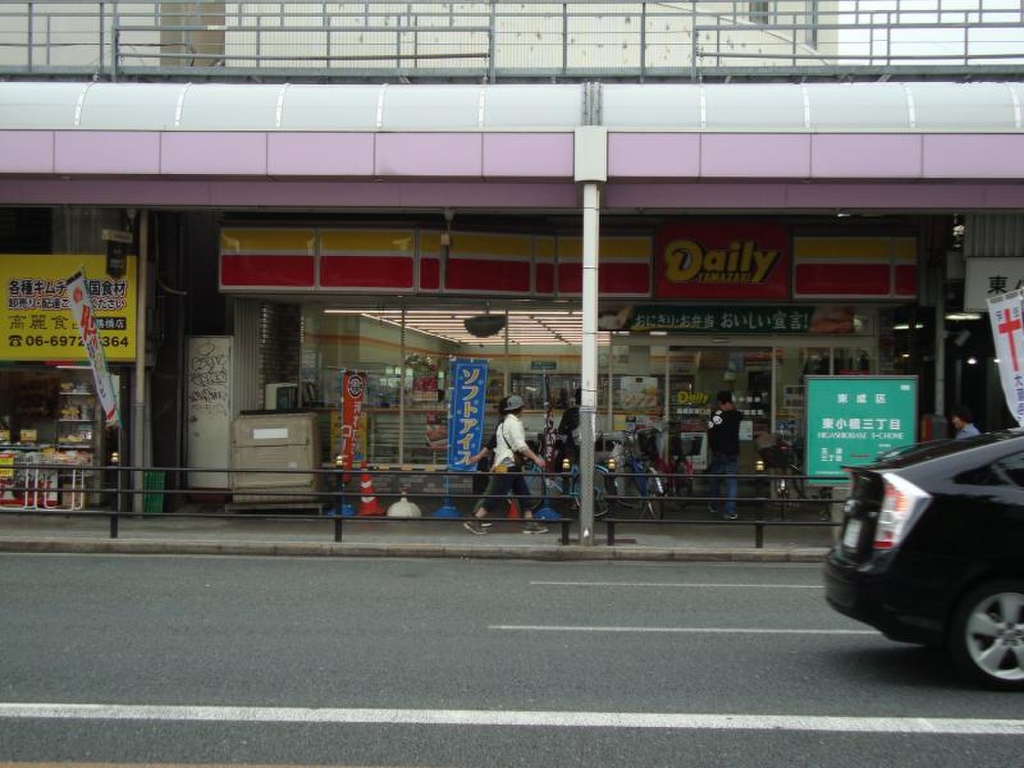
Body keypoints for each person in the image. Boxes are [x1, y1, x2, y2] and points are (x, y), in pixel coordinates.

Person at [464, 394, 548, 535]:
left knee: (523, 493)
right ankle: (475, 520)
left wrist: (491, 462)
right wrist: (536, 458)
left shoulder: (503, 423)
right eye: (523, 407)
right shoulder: (514, 423)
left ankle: (530, 522)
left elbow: (496, 445)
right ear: (519, 409)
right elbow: (521, 446)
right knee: (497, 493)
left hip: (506, 463)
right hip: (509, 463)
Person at [707, 389, 742, 521]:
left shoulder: (715, 415)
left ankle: (714, 505)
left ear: (720, 402)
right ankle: (730, 511)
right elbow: (738, 413)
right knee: (731, 482)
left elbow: (710, 432)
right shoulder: (736, 415)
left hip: (718, 453)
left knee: (715, 480)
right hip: (733, 453)